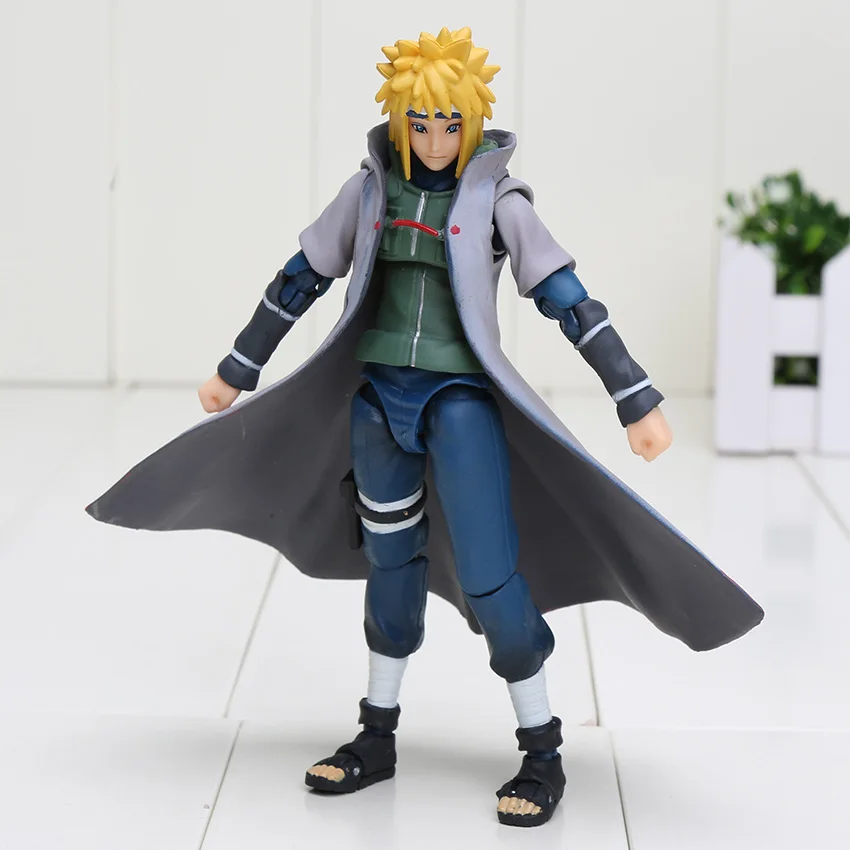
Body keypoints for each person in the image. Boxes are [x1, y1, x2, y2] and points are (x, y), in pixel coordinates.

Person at [87, 26, 764, 829]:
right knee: (390, 567)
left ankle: (542, 748)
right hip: (379, 402)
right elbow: (299, 278)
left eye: (450, 125)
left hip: (460, 405)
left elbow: (569, 300)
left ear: (471, 124)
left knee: (491, 576)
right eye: (420, 124)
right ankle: (376, 735)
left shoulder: (498, 204)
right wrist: (238, 367)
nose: (436, 141)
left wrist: (635, 397)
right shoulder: (369, 195)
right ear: (398, 122)